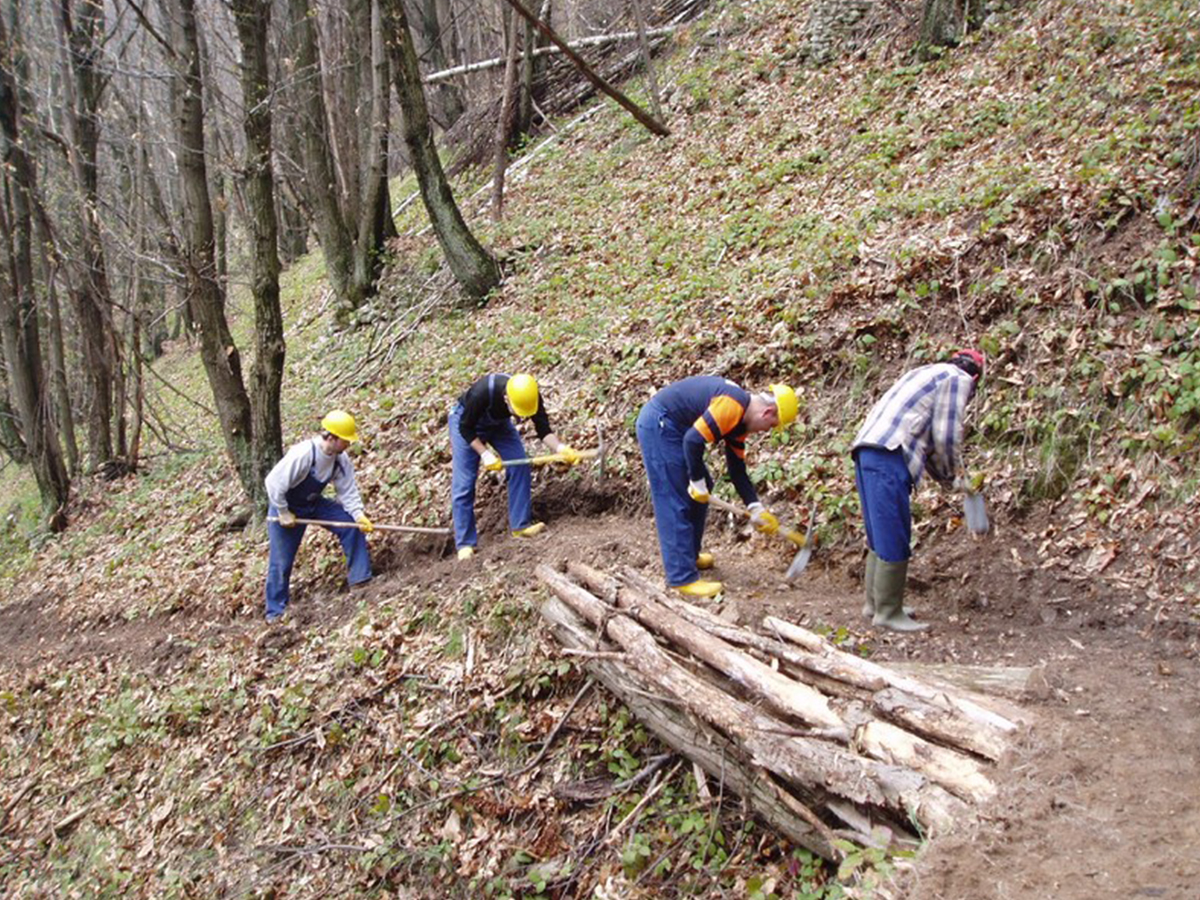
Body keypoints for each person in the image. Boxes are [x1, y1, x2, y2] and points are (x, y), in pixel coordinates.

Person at [851, 349, 985, 632]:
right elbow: (946, 436)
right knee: (894, 530)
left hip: (867, 447)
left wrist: (946, 478)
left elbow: (929, 439)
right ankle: (888, 612)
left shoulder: (925, 372)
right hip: (890, 453)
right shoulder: (958, 379)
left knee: (879, 528)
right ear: (975, 377)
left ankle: (874, 603)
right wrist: (954, 475)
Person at [636, 377, 799, 598]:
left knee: (703, 487)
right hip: (661, 425)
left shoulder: (740, 424)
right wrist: (696, 482)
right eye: (770, 426)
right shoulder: (732, 405)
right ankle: (681, 578)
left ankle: (689, 555)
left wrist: (756, 508)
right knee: (675, 496)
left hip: (678, 429)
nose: (765, 431)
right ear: (767, 413)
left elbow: (737, 471)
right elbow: (693, 441)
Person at [450, 373, 580, 560]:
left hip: (499, 425)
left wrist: (561, 448)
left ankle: (521, 526)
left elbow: (543, 430)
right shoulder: (483, 392)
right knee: (465, 482)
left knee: (520, 464)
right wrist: (485, 454)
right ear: (506, 399)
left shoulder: (530, 396)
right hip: (465, 423)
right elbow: (465, 428)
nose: (521, 417)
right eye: (518, 412)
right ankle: (465, 544)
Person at [264, 410, 373, 623]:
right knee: (281, 561)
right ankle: (275, 613)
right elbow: (273, 483)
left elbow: (347, 491)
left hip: (313, 503)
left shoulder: (341, 460)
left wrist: (359, 515)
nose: (348, 445)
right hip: (286, 507)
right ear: (331, 437)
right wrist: (283, 512)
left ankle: (361, 580)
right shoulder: (304, 453)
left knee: (350, 526)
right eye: (345, 440)